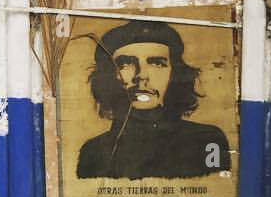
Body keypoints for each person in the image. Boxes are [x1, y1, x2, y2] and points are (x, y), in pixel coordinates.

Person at [76, 19, 230, 180]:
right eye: (126, 64)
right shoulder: (93, 151)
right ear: (109, 76)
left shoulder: (207, 139)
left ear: (174, 74)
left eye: (157, 63)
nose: (142, 75)